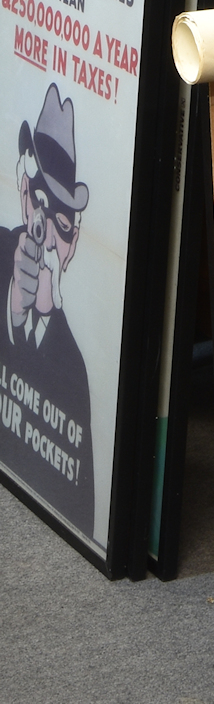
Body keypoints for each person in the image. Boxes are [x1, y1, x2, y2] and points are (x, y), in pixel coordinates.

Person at [0, 84, 94, 539]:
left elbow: (78, 507)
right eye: (39, 200)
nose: (43, 234)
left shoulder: (73, 367)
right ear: (23, 192)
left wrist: (46, 320)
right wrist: (13, 312)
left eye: (60, 224)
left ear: (73, 243)